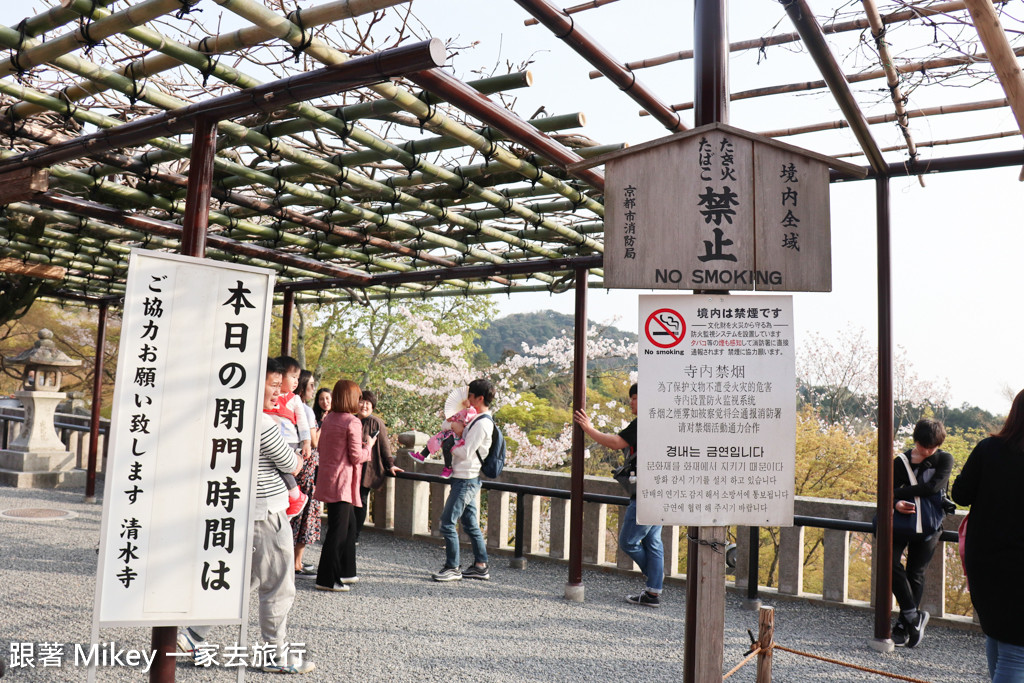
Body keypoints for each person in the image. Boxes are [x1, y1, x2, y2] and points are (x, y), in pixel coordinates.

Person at [177, 358, 314, 674]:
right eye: (273, 386)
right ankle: (275, 655)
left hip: (235, 510)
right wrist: (293, 456)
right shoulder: (262, 423)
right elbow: (292, 464)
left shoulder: (223, 417)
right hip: (265, 513)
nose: (277, 394)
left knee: (240, 581)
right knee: (278, 586)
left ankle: (194, 635)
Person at [952, 389, 1024, 682]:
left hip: (985, 559)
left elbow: (960, 494)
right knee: (1016, 649)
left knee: (997, 634)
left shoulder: (988, 449)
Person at [574, 383, 663, 607]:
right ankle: (653, 591)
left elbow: (616, 443)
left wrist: (588, 428)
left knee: (628, 541)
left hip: (645, 492)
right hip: (660, 489)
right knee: (652, 540)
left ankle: (655, 580)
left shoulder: (642, 423)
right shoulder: (660, 422)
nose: (631, 402)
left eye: (635, 398)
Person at [889, 418, 954, 648]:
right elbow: (889, 496)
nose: (926, 451)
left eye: (932, 448)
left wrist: (897, 491)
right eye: (922, 446)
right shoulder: (901, 461)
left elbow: (932, 488)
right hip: (902, 521)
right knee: (889, 563)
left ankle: (903, 625)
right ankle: (912, 616)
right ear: (915, 440)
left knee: (915, 572)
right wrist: (897, 503)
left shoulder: (944, 459)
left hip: (929, 523)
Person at [431, 378, 494, 582]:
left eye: (470, 395)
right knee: (469, 524)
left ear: (479, 398)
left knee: (448, 523)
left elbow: (466, 452)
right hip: (464, 477)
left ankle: (453, 567)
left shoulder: (482, 423)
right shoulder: (475, 419)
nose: (467, 399)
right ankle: (480, 565)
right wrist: (454, 428)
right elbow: (446, 424)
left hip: (466, 478)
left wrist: (452, 445)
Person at [314, 379, 374, 592]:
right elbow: (356, 456)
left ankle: (347, 571)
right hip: (344, 481)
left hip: (329, 476)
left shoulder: (329, 419)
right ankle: (327, 579)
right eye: (358, 397)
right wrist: (370, 448)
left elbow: (321, 446)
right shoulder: (353, 422)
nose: (360, 402)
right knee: (338, 531)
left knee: (347, 526)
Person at [265, 356, 312, 518]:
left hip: (289, 441)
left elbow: (303, 424)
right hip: (272, 439)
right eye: (293, 377)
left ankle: (295, 496)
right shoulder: (269, 397)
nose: (296, 382)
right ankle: (291, 496)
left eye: (298, 379)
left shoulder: (295, 399)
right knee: (274, 469)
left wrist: (306, 443)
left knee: (284, 468)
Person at [355, 389, 402, 543]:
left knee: (361, 501)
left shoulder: (376, 423)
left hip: (367, 468)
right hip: (351, 467)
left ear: (372, 406)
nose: (364, 406)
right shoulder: (352, 419)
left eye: (368, 403)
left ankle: (354, 534)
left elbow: (384, 447)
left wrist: (390, 465)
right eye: (362, 401)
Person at [291, 370, 321, 576]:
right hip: (307, 466)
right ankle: (297, 562)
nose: (313, 389)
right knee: (305, 512)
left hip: (292, 463)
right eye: (310, 385)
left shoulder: (288, 405)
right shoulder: (306, 410)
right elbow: (315, 441)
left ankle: (292, 561)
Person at [411, 405, 478, 478]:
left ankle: (448, 468)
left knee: (447, 447)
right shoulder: (457, 408)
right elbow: (446, 423)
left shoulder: (471, 410)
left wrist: (466, 410)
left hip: (457, 435)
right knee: (434, 440)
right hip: (449, 432)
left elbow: (468, 421)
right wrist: (450, 418)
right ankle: (422, 455)